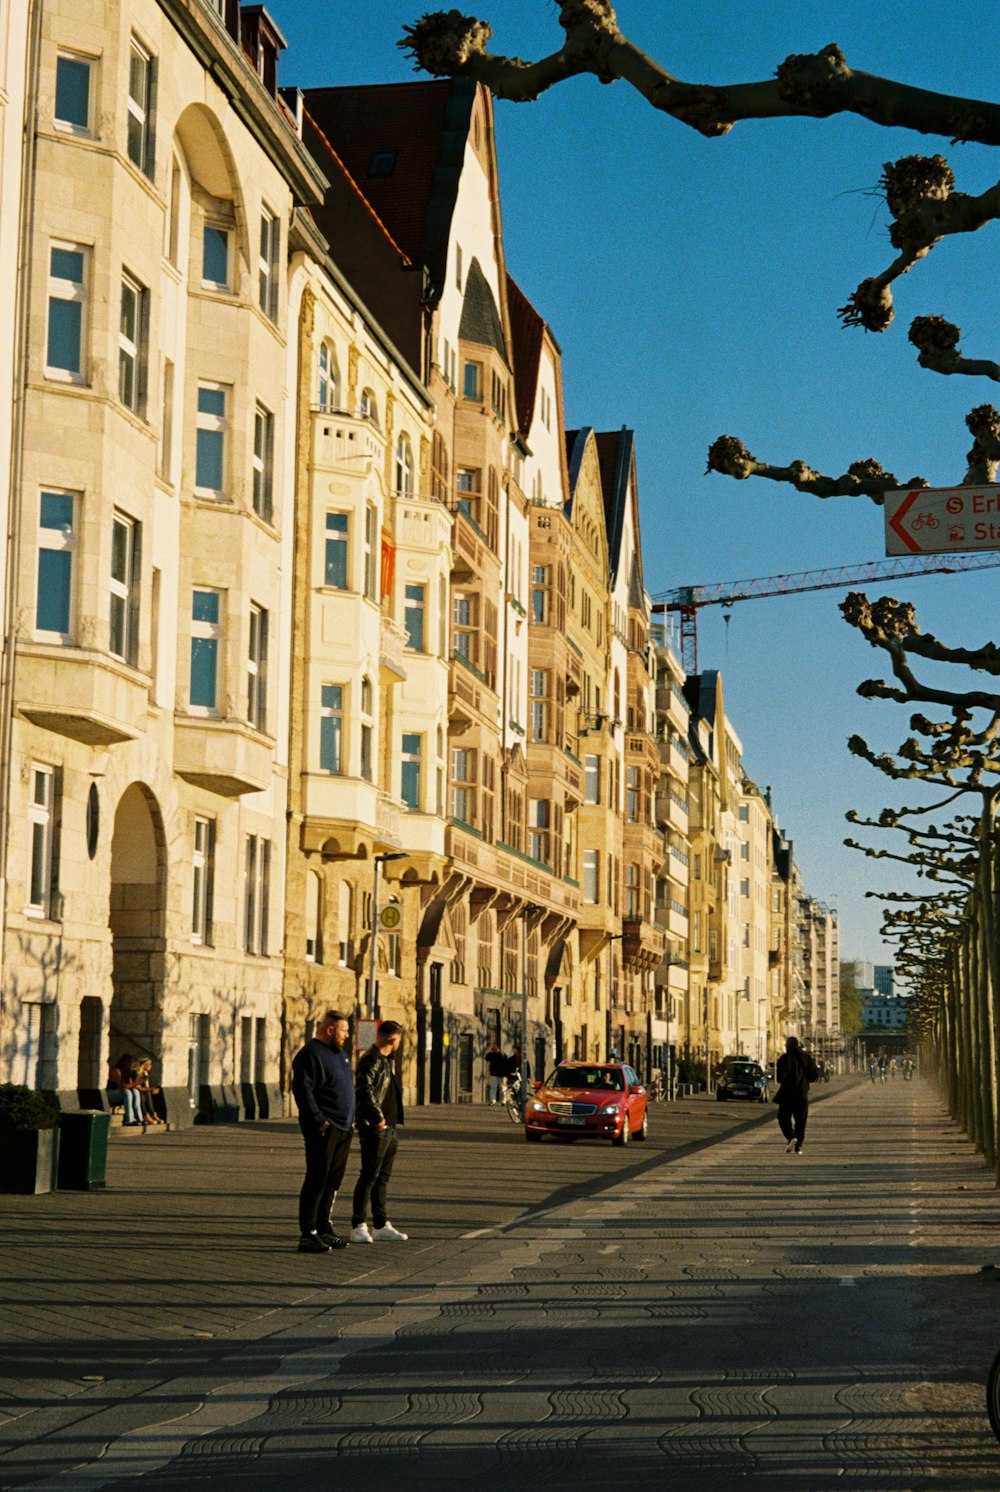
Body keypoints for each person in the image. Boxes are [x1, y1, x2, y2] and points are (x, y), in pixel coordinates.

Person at [291, 1010, 355, 1254]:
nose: (347, 1035)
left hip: (344, 1127)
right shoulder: (309, 1055)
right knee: (317, 1179)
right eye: (344, 1031)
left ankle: (324, 1227)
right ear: (330, 1030)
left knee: (332, 1181)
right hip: (324, 1129)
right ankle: (308, 1234)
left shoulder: (340, 1055)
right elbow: (303, 1092)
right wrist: (320, 1121)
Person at [351, 1021, 407, 1244]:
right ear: (392, 1040)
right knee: (369, 1176)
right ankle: (358, 1225)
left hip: (389, 1130)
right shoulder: (372, 1059)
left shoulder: (385, 1061)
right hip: (376, 1128)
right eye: (399, 1041)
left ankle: (381, 1224)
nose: (399, 1045)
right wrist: (378, 1118)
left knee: (382, 1178)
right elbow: (363, 1088)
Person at [775, 1035, 818, 1155]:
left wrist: (787, 1079)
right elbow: (814, 1074)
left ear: (788, 1045)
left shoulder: (784, 1058)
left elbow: (779, 1078)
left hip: (787, 1094)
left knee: (783, 1117)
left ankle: (790, 1136)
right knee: (801, 1120)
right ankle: (799, 1145)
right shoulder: (806, 1057)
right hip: (802, 1093)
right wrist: (805, 1080)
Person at [107, 1054, 143, 1126]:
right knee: (127, 1092)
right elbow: (122, 1087)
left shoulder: (127, 1072)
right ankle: (129, 1119)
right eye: (129, 1062)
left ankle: (139, 1118)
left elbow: (131, 1085)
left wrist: (138, 1085)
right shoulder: (116, 1070)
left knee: (135, 1091)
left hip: (121, 1092)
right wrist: (136, 1083)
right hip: (111, 1093)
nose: (130, 1064)